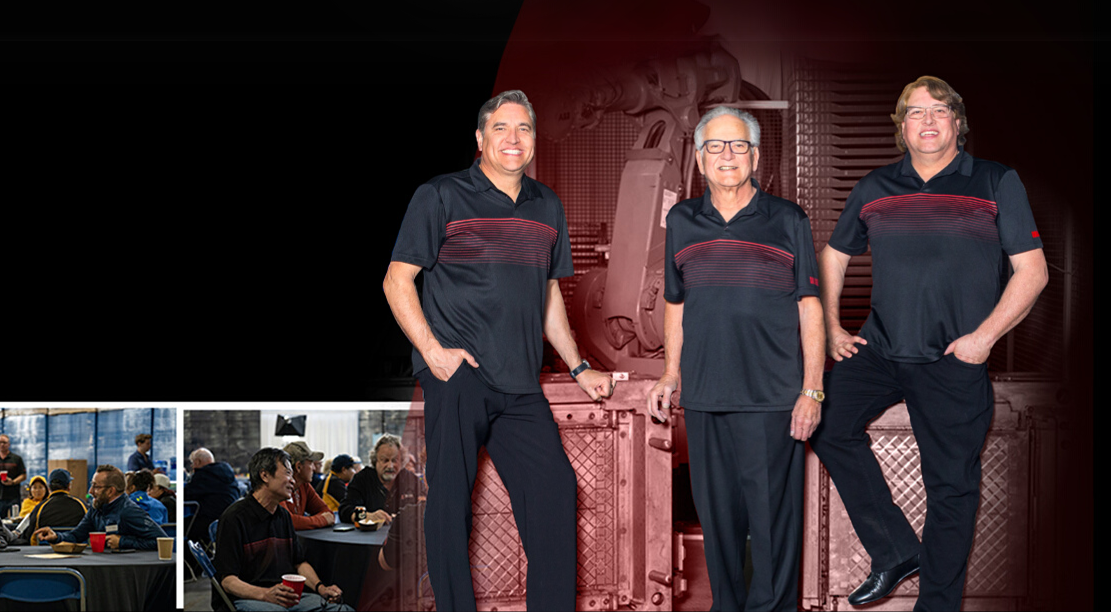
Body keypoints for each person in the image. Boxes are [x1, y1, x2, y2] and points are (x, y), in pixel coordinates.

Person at [808, 76, 1049, 610]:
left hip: (953, 359)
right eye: (915, 113)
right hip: (880, 350)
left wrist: (982, 340)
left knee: (951, 491)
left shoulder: (993, 181)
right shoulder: (875, 188)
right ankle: (895, 550)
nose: (928, 121)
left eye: (940, 111)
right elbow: (833, 257)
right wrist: (831, 329)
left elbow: (1032, 272)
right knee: (823, 423)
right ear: (901, 128)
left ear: (958, 123)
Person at [384, 89, 613, 611]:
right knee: (448, 506)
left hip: (521, 385)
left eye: (524, 129)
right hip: (460, 375)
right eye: (502, 129)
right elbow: (397, 281)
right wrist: (434, 353)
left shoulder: (546, 203)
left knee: (554, 493)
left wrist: (579, 367)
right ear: (480, 138)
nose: (514, 139)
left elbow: (548, 293)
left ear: (534, 140)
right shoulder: (439, 195)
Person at [645, 106, 824, 612]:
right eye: (716, 147)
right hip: (704, 398)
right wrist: (670, 373)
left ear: (756, 156)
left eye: (738, 145)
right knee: (719, 525)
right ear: (700, 160)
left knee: (772, 529)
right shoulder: (682, 221)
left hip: (772, 398)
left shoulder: (788, 220)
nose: (727, 155)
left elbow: (810, 309)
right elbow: (675, 305)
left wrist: (811, 390)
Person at [212, 447, 349, 612]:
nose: (292, 481)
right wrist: (265, 594)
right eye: (287, 473)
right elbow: (228, 581)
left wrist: (321, 588)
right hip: (248, 597)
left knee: (343, 610)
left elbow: (299, 563)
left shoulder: (283, 515)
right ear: (265, 475)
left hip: (284, 595)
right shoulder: (234, 518)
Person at [31, 465, 169, 551]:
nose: (90, 491)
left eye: (96, 486)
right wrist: (56, 536)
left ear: (111, 491)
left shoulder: (129, 511)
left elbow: (161, 541)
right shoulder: (96, 509)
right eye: (92, 485)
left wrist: (123, 542)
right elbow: (76, 535)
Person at [338, 435, 402, 525]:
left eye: (395, 460)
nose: (390, 466)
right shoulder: (362, 479)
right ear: (375, 461)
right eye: (385, 460)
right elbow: (344, 511)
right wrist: (366, 516)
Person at [187, 447, 242, 546]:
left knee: (184, 527)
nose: (192, 467)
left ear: (198, 462)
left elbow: (187, 495)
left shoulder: (202, 475)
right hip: (231, 522)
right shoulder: (227, 472)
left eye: (192, 463)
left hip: (210, 524)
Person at [20, 468, 88, 544]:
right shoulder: (82, 505)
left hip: (45, 553)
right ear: (69, 486)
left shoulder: (40, 508)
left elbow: (29, 536)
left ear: (49, 488)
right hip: (79, 552)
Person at [280, 441, 335, 531]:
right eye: (311, 463)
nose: (314, 468)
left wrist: (304, 522)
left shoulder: (304, 485)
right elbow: (289, 522)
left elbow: (327, 512)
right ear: (298, 467)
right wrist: (322, 519)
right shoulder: (279, 487)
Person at [0, 434, 27, 519]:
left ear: (9, 444)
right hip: (0, 496)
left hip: (14, 496)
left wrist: (13, 482)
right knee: (0, 520)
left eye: (4, 442)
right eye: (0, 442)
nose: (2, 444)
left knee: (15, 519)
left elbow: (23, 475)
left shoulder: (16, 459)